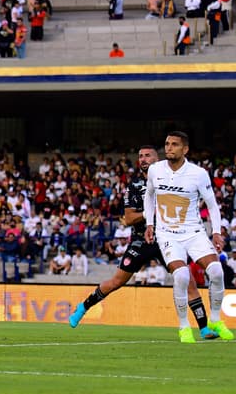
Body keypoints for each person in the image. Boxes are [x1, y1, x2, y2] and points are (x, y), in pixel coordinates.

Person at [69, 145, 216, 339]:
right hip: (142, 240)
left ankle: (204, 328)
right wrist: (152, 211)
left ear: (158, 160)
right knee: (117, 281)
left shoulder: (175, 180)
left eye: (148, 156)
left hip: (169, 239)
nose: (143, 159)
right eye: (140, 156)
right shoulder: (135, 186)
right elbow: (129, 218)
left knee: (188, 282)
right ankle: (83, 307)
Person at [144, 131, 235, 343]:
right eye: (166, 144)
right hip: (167, 234)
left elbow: (212, 205)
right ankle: (184, 326)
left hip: (194, 232)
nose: (168, 148)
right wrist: (150, 223)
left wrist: (216, 232)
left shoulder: (198, 173)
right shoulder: (155, 170)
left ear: (185, 149)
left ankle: (214, 319)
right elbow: (149, 197)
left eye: (174, 144)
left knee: (216, 271)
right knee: (182, 276)